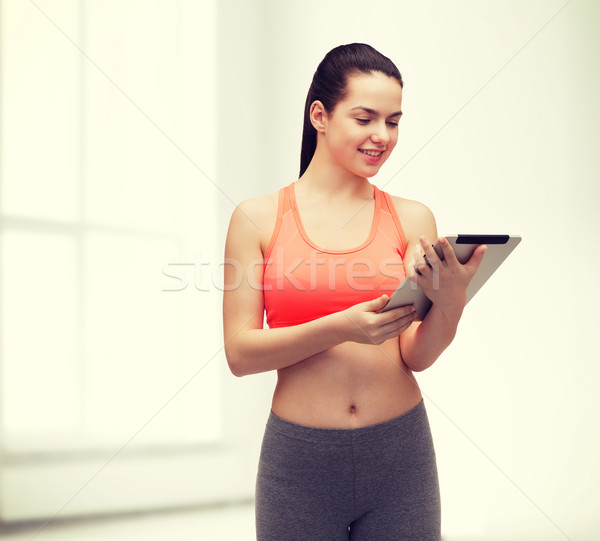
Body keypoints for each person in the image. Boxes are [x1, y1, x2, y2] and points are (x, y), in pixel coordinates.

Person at [222, 43, 486, 541]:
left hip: (400, 453)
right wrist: (340, 328)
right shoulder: (257, 219)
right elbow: (240, 353)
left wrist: (451, 302)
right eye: (365, 118)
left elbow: (416, 355)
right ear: (319, 115)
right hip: (298, 462)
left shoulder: (412, 218)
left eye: (393, 121)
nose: (381, 136)